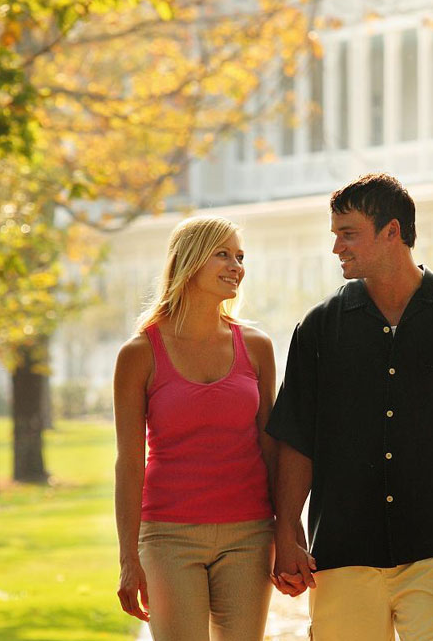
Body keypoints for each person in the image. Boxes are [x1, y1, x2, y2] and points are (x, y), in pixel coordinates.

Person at [267, 173, 433, 640]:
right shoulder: (318, 329)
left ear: (392, 231)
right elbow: (297, 439)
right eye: (335, 235)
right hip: (343, 549)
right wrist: (286, 531)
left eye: (348, 234)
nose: (337, 248)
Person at [113, 216, 280, 641]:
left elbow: (272, 450)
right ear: (188, 261)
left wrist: (287, 533)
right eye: (222, 254)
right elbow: (130, 464)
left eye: (240, 256)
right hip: (169, 538)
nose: (236, 266)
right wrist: (129, 558)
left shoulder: (256, 347)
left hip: (249, 534)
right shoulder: (139, 354)